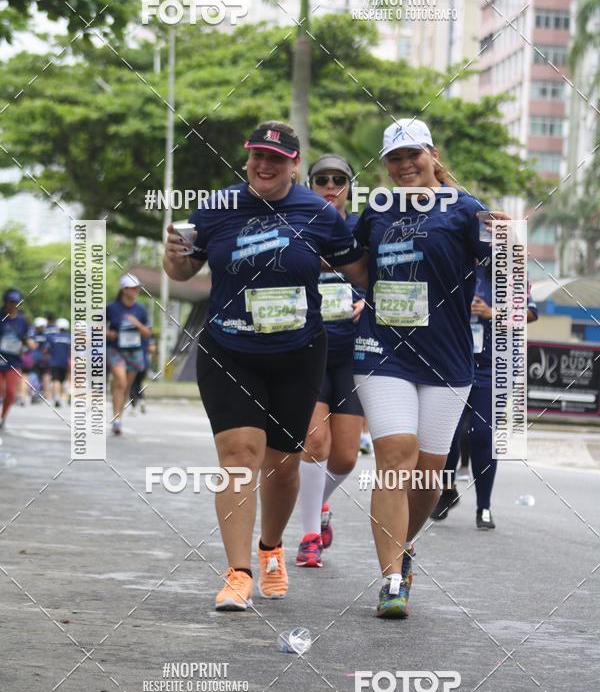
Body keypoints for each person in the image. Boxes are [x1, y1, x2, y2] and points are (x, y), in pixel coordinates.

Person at [163, 120, 365, 611]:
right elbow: (184, 270)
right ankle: (238, 573)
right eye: (258, 155)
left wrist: (368, 302)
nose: (265, 165)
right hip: (229, 349)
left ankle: (271, 546)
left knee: (283, 464)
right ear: (247, 157)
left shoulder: (318, 212)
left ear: (294, 164)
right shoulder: (216, 207)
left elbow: (359, 269)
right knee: (239, 454)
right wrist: (172, 257)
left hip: (298, 353)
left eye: (277, 158)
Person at [352, 118, 508, 618]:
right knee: (396, 451)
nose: (404, 165)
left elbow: (504, 264)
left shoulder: (465, 209)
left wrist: (507, 238)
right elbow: (356, 266)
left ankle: (402, 547)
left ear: (433, 156)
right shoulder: (377, 209)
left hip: (447, 356)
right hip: (382, 350)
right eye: (394, 158)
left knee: (429, 477)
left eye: (413, 155)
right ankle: (391, 581)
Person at [294, 154, 365, 567]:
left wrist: (369, 302)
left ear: (350, 187)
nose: (331, 187)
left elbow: (384, 274)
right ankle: (308, 537)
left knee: (345, 457)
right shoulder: (296, 225)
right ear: (310, 184)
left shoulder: (363, 228)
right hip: (309, 351)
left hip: (353, 354)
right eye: (322, 179)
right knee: (316, 442)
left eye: (340, 180)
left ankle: (318, 502)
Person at [432, 266, 538, 528]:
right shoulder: (459, 264)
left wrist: (493, 313)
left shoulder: (513, 274)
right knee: (448, 434)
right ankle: (447, 490)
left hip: (495, 367)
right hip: (456, 362)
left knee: (482, 434)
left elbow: (530, 314)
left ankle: (484, 506)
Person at [106, 275, 152, 435]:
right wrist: (108, 333)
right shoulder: (111, 308)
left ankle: (118, 418)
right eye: (133, 288)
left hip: (135, 351)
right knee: (121, 381)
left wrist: (137, 324)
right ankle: (116, 419)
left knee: (125, 387)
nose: (136, 291)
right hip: (115, 349)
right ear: (124, 289)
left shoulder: (141, 310)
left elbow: (147, 333)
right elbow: (96, 327)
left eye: (137, 288)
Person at [0, 289, 35, 429]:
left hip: (14, 361)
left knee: (10, 391)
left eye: (16, 302)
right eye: (11, 302)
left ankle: (3, 418)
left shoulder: (22, 321)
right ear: (5, 302)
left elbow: (28, 339)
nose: (14, 305)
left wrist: (29, 344)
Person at [46, 317, 71, 407]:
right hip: (66, 362)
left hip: (55, 362)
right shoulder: (69, 337)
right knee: (67, 380)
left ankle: (57, 397)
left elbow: (46, 349)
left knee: (56, 379)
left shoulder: (52, 337)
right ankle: (69, 396)